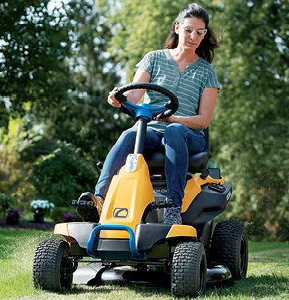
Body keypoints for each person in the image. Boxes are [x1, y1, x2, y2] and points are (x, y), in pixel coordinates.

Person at [77, 3, 221, 225]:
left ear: (204, 35)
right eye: (188, 30)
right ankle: (99, 200)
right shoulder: (154, 59)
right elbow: (134, 97)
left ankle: (173, 208)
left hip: (188, 135)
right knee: (129, 135)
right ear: (177, 28)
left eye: (199, 32)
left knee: (174, 131)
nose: (193, 36)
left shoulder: (207, 72)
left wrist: (175, 118)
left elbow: (204, 119)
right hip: (152, 131)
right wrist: (119, 99)